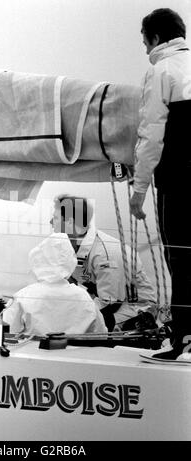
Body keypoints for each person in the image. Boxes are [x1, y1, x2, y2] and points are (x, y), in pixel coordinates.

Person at [129, 8, 191, 360]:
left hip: (180, 182)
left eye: (144, 42)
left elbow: (151, 136)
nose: (145, 49)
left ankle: (184, 341)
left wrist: (139, 191)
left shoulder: (161, 71)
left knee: (181, 260)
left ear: (155, 39)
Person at [51, 194, 157, 331]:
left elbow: (111, 303)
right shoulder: (69, 247)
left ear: (70, 222)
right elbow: (68, 286)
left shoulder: (106, 254)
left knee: (81, 326)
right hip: (105, 303)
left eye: (55, 218)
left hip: (131, 309)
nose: (50, 222)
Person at [3, 232, 107, 336]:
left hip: (35, 351)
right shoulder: (84, 298)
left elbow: (6, 334)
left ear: (38, 259)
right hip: (75, 352)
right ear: (70, 261)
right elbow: (101, 335)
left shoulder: (23, 297)